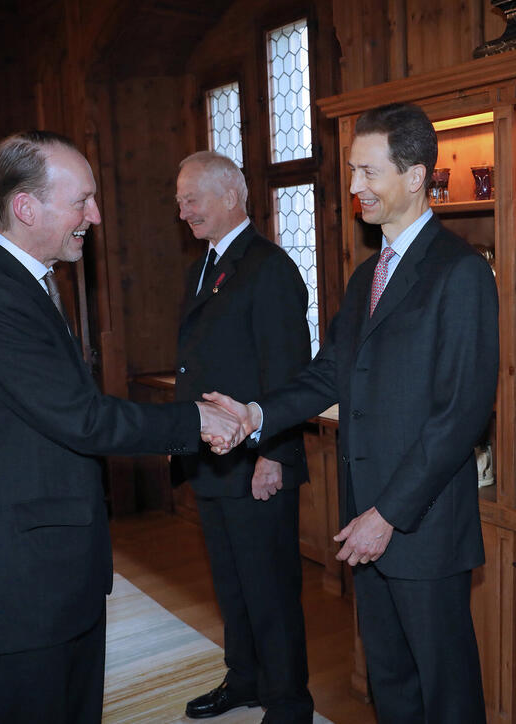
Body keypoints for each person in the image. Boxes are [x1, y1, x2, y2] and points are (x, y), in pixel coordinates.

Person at [0, 130, 244, 724]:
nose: (94, 217)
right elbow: (82, 418)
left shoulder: (26, 285)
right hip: (20, 578)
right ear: (27, 207)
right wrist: (197, 419)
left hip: (56, 567)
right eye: (82, 201)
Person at [207, 102, 498, 724]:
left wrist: (387, 515)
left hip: (417, 526)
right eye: (351, 170)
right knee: (391, 684)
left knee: (445, 692)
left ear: (415, 176)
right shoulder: (370, 272)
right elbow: (326, 374)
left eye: (368, 171)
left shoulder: (461, 273)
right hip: (363, 520)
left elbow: (461, 415)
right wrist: (256, 413)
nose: (354, 186)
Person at [173, 151, 314, 723]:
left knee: (271, 591)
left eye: (192, 198)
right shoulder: (202, 267)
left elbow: (287, 372)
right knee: (232, 585)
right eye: (180, 201)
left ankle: (287, 704)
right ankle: (246, 679)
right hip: (211, 460)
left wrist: (273, 457)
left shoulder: (269, 267)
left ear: (231, 194)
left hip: (257, 461)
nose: (183, 211)